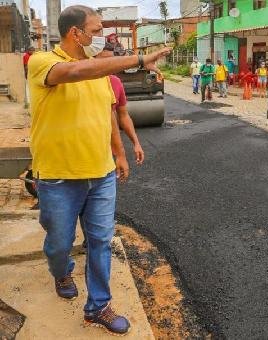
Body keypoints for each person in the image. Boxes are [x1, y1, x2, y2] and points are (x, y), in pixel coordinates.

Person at [27, 5, 170, 335]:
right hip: (57, 177)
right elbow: (75, 73)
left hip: (101, 175)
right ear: (75, 33)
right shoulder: (43, 63)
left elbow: (108, 119)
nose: (101, 35)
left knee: (101, 241)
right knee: (60, 243)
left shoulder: (103, 77)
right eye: (96, 29)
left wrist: (119, 155)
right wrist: (138, 60)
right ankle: (61, 271)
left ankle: (99, 307)